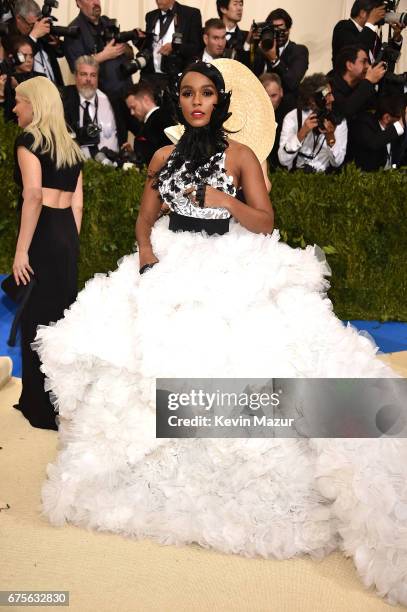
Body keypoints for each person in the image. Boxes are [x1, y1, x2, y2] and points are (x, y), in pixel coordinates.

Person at [33, 60, 405, 608]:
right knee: (150, 370)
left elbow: (265, 220)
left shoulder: (240, 156)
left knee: (254, 358)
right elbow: (144, 218)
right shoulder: (162, 157)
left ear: (219, 100)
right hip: (175, 266)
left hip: (235, 264)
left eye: (206, 93)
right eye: (187, 93)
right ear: (178, 101)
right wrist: (145, 254)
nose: (197, 101)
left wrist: (227, 202)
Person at [11, 76, 84, 430]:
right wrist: (69, 244)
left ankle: (36, 407)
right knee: (59, 321)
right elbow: (79, 207)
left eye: (18, 102)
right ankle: (55, 403)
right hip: (66, 235)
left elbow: (33, 195)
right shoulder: (71, 146)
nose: (14, 108)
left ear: (34, 104)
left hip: (42, 235)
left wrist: (21, 250)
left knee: (35, 319)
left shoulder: (28, 142)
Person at [278, 74, 348, 173]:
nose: (332, 99)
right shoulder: (292, 118)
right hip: (295, 179)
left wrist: (330, 136)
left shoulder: (338, 121)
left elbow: (337, 162)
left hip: (324, 180)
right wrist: (301, 133)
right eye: (327, 95)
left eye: (331, 94)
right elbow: (283, 160)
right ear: (312, 100)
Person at [62, 55, 127, 160]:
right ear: (75, 76)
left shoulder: (112, 100)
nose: (88, 79)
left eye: (93, 75)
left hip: (111, 167)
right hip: (77, 167)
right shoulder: (64, 99)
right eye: (83, 74)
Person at [63, 0, 131, 98]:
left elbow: (128, 52)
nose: (95, 2)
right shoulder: (73, 31)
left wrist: (124, 46)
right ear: (79, 3)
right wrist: (103, 56)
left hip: (126, 92)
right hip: (102, 98)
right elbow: (76, 67)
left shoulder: (108, 22)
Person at [142, 0, 203, 91]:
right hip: (151, 76)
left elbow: (196, 47)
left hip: (176, 77)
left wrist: (175, 47)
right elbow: (149, 45)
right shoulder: (150, 16)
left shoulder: (191, 14)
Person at [5, 0, 64, 86]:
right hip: (29, 93)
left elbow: (60, 52)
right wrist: (33, 36)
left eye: (36, 23)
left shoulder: (40, 33)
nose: (34, 27)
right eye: (31, 24)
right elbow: (16, 62)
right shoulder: (8, 34)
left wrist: (56, 43)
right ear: (18, 19)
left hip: (54, 90)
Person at [252, 8, 309, 99]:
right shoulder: (261, 50)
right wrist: (252, 43)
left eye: (281, 30)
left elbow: (292, 83)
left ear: (288, 30)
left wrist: (274, 59)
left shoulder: (299, 51)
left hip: (285, 108)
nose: (277, 34)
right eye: (274, 30)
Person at [332, 0, 404, 67]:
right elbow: (354, 52)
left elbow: (387, 58)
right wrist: (371, 22)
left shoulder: (371, 34)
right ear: (363, 13)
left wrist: (396, 38)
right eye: (376, 13)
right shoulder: (343, 27)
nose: (380, 17)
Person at [348, 95, 406, 170]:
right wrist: (400, 124)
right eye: (399, 118)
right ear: (386, 118)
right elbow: (373, 143)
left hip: (392, 175)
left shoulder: (399, 130)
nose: (402, 121)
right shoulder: (364, 122)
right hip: (367, 177)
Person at [330, 45, 385, 120]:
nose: (368, 66)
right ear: (349, 65)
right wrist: (368, 81)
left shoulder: (361, 83)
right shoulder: (330, 87)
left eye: (368, 62)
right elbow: (346, 110)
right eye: (364, 62)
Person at [125, 82, 172, 166]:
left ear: (146, 100)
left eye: (133, 107)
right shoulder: (166, 115)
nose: (132, 113)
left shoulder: (158, 120)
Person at [259, 72, 295, 171]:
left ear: (281, 92)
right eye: (266, 96)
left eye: (273, 95)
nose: (269, 101)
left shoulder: (291, 112)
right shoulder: (255, 113)